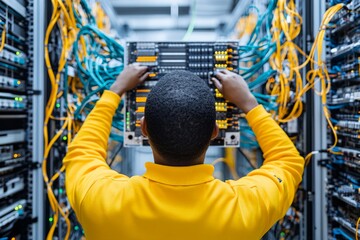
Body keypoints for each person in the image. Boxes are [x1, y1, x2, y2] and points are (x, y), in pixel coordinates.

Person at [63, 64, 305, 240]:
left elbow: (82, 153)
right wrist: (249, 104)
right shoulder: (246, 208)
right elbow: (288, 161)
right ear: (214, 132)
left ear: (144, 128)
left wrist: (115, 91)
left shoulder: (101, 202)